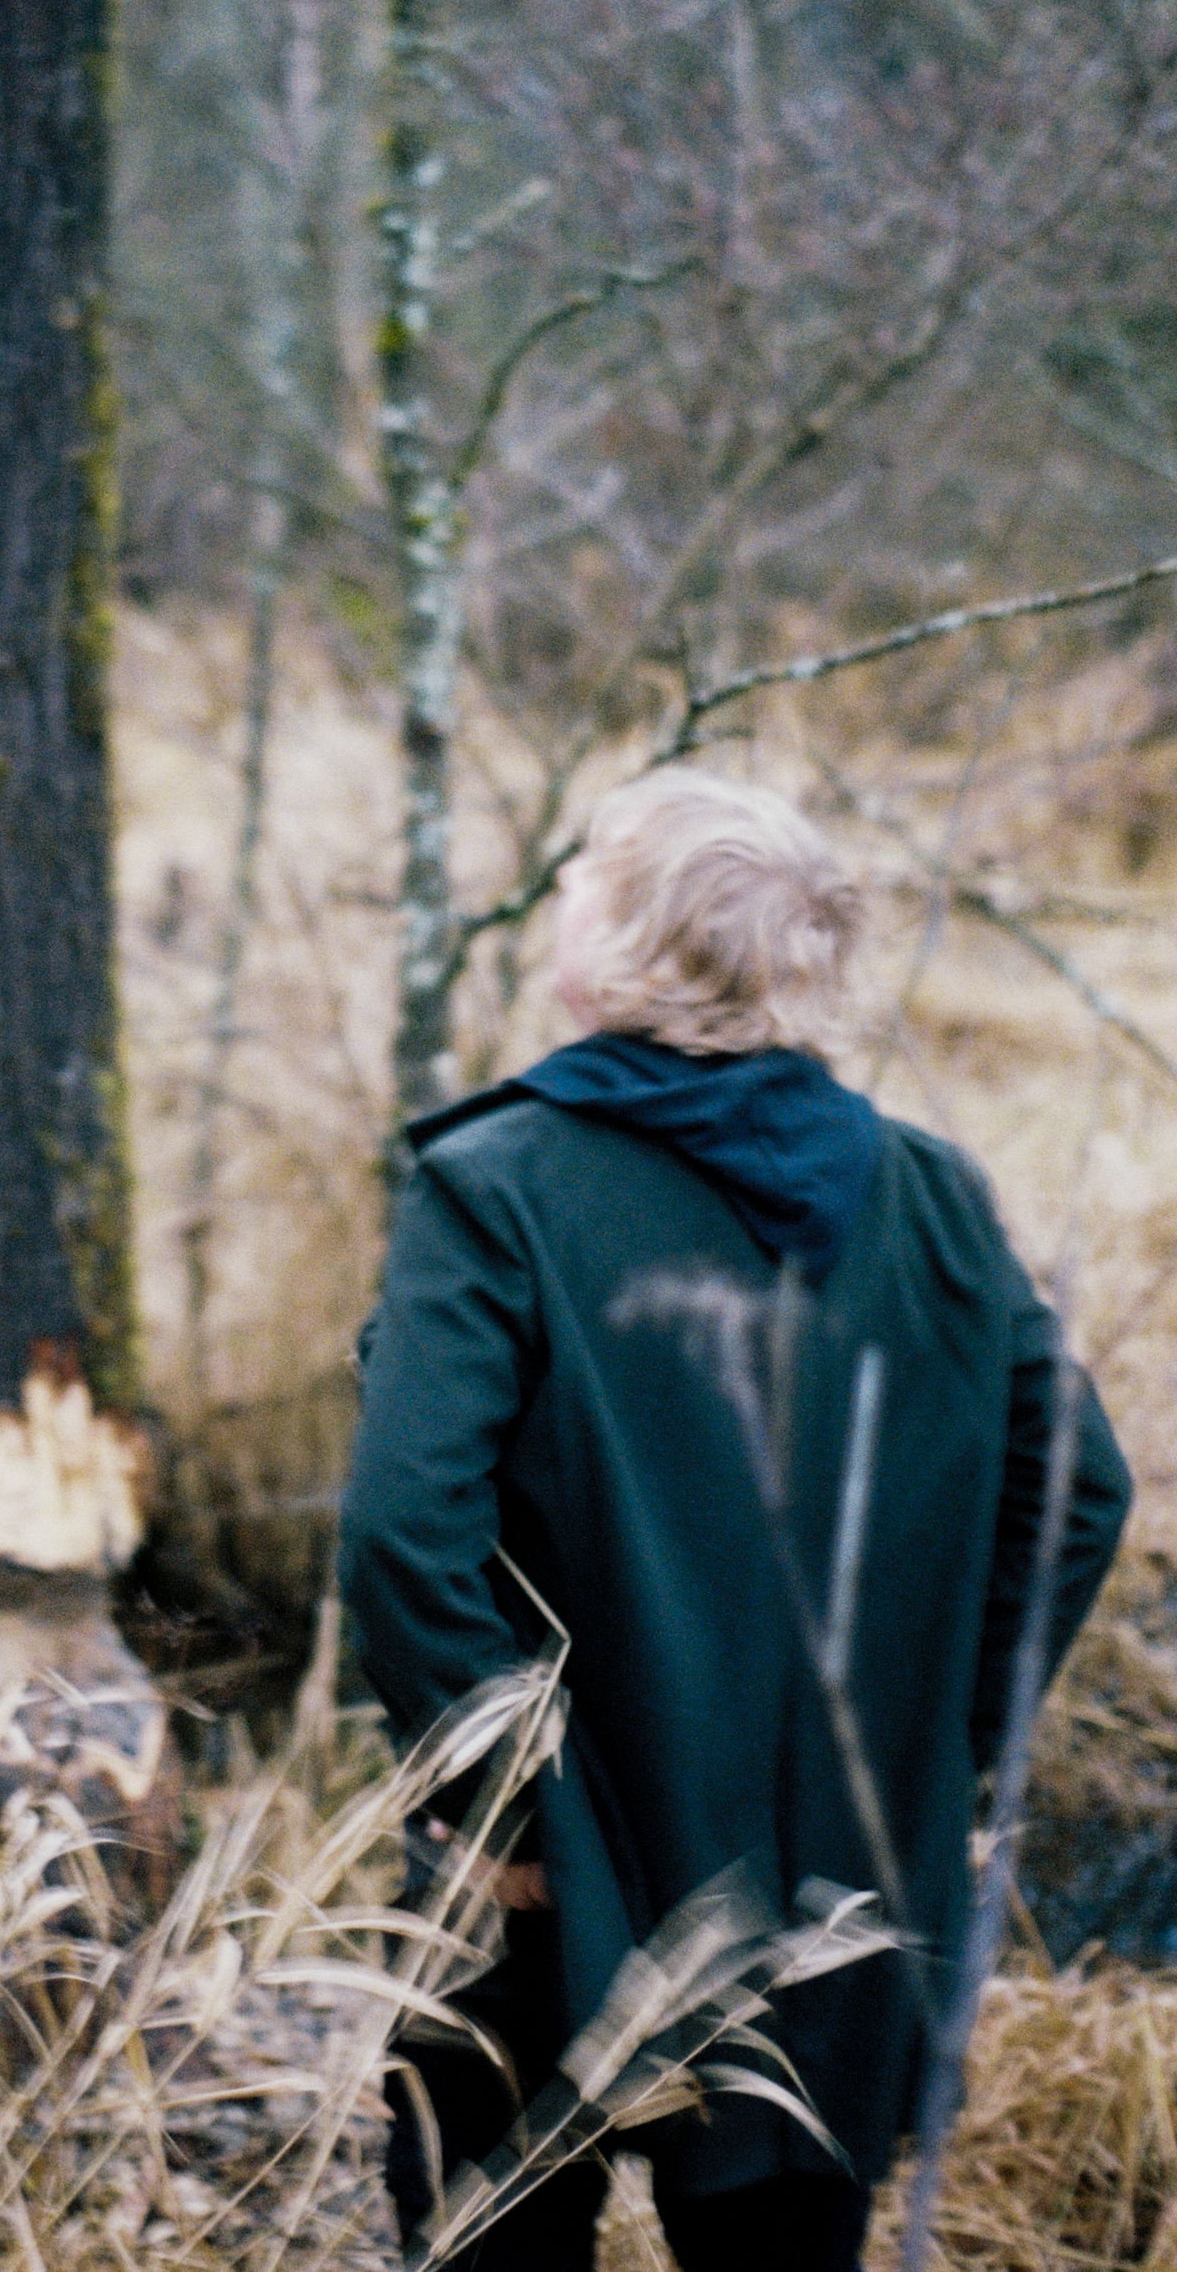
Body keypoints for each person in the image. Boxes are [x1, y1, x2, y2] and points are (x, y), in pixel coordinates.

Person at [339, 767, 1132, 2272]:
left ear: (634, 938)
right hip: (840, 1885)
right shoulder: (932, 1195)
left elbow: (400, 1530)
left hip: (549, 1884)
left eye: (584, 869)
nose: (564, 890)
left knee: (486, 2230)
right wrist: (926, 1750)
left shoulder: (493, 1188)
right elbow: (1079, 1490)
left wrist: (503, 1800)